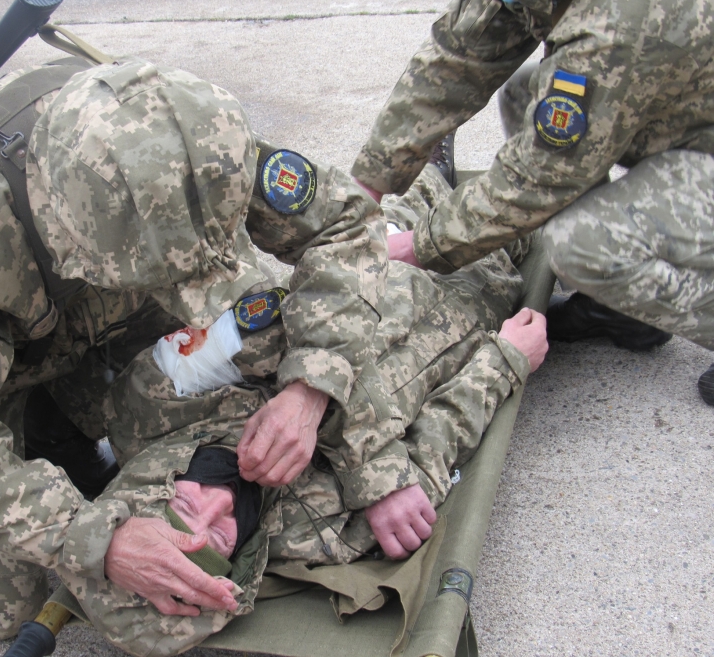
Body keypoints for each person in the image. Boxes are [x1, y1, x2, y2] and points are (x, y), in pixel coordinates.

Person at [0, 56, 388, 640]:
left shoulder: (176, 137)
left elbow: (345, 223)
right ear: (74, 237)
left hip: (87, 311)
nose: (195, 288)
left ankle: (59, 418)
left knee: (263, 344)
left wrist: (310, 386)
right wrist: (94, 538)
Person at [52, 163, 548, 656]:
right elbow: (433, 448)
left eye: (183, 506)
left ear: (148, 490)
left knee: (413, 189)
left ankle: (429, 168)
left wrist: (370, 470)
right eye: (220, 538)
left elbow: (273, 326)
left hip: (376, 272)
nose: (218, 504)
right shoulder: (311, 534)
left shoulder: (152, 399)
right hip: (473, 308)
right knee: (534, 199)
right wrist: (503, 362)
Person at [350, 0, 714, 404]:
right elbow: (452, 64)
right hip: (687, 122)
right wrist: (362, 196)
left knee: (580, 243)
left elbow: (536, 180)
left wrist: (415, 245)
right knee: (527, 95)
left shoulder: (619, 18)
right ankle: (624, 307)